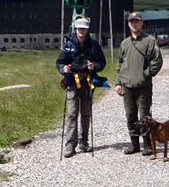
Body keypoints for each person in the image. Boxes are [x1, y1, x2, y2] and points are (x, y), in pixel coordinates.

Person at [56, 17, 106, 158]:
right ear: (75, 29)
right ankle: (70, 144)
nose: (81, 31)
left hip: (87, 83)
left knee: (85, 113)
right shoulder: (68, 44)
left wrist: (94, 66)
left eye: (84, 28)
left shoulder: (94, 45)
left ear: (87, 29)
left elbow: (102, 62)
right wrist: (63, 69)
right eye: (79, 28)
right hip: (72, 82)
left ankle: (83, 142)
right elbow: (59, 62)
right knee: (72, 114)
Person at [115, 11, 163, 156]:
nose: (134, 24)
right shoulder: (125, 43)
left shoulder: (150, 40)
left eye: (137, 21)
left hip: (143, 87)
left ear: (142, 23)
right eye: (131, 21)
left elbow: (157, 60)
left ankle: (148, 145)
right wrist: (118, 82)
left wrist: (146, 74)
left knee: (145, 117)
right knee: (130, 116)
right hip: (127, 87)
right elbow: (120, 64)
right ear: (128, 24)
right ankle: (134, 144)